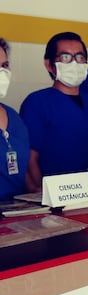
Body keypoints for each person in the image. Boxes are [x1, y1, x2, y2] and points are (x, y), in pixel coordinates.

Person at [20, 32, 88, 192]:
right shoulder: (37, 102)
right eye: (65, 57)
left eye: (79, 57)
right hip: (56, 194)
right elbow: (30, 156)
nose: (74, 63)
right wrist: (42, 193)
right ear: (49, 64)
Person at [0, 38, 30, 200]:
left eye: (4, 66)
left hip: (15, 214)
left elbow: (19, 170)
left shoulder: (13, 118)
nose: (2, 73)